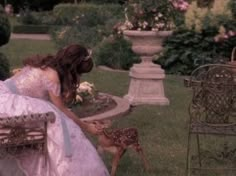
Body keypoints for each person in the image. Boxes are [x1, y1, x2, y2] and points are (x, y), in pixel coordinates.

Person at [0, 44, 109, 176]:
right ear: (73, 69)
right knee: (60, 124)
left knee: (54, 117)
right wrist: (86, 127)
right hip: (9, 102)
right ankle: (70, 169)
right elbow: (62, 109)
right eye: (79, 73)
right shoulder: (53, 76)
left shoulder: (43, 63)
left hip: (4, 93)